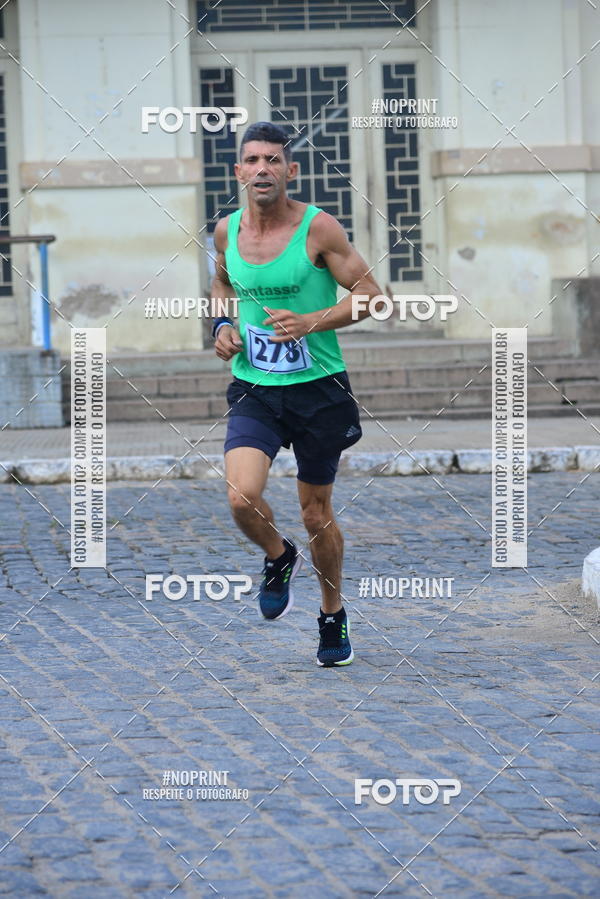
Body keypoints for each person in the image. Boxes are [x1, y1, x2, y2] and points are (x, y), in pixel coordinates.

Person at [211, 121, 382, 666]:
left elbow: (373, 296)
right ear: (239, 171)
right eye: (252, 160)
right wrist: (219, 327)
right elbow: (220, 284)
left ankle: (332, 615)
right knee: (241, 497)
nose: (262, 169)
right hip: (255, 387)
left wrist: (312, 319)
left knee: (315, 513)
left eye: (273, 160)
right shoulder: (226, 232)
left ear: (290, 170)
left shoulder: (319, 228)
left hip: (318, 391)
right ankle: (277, 555)